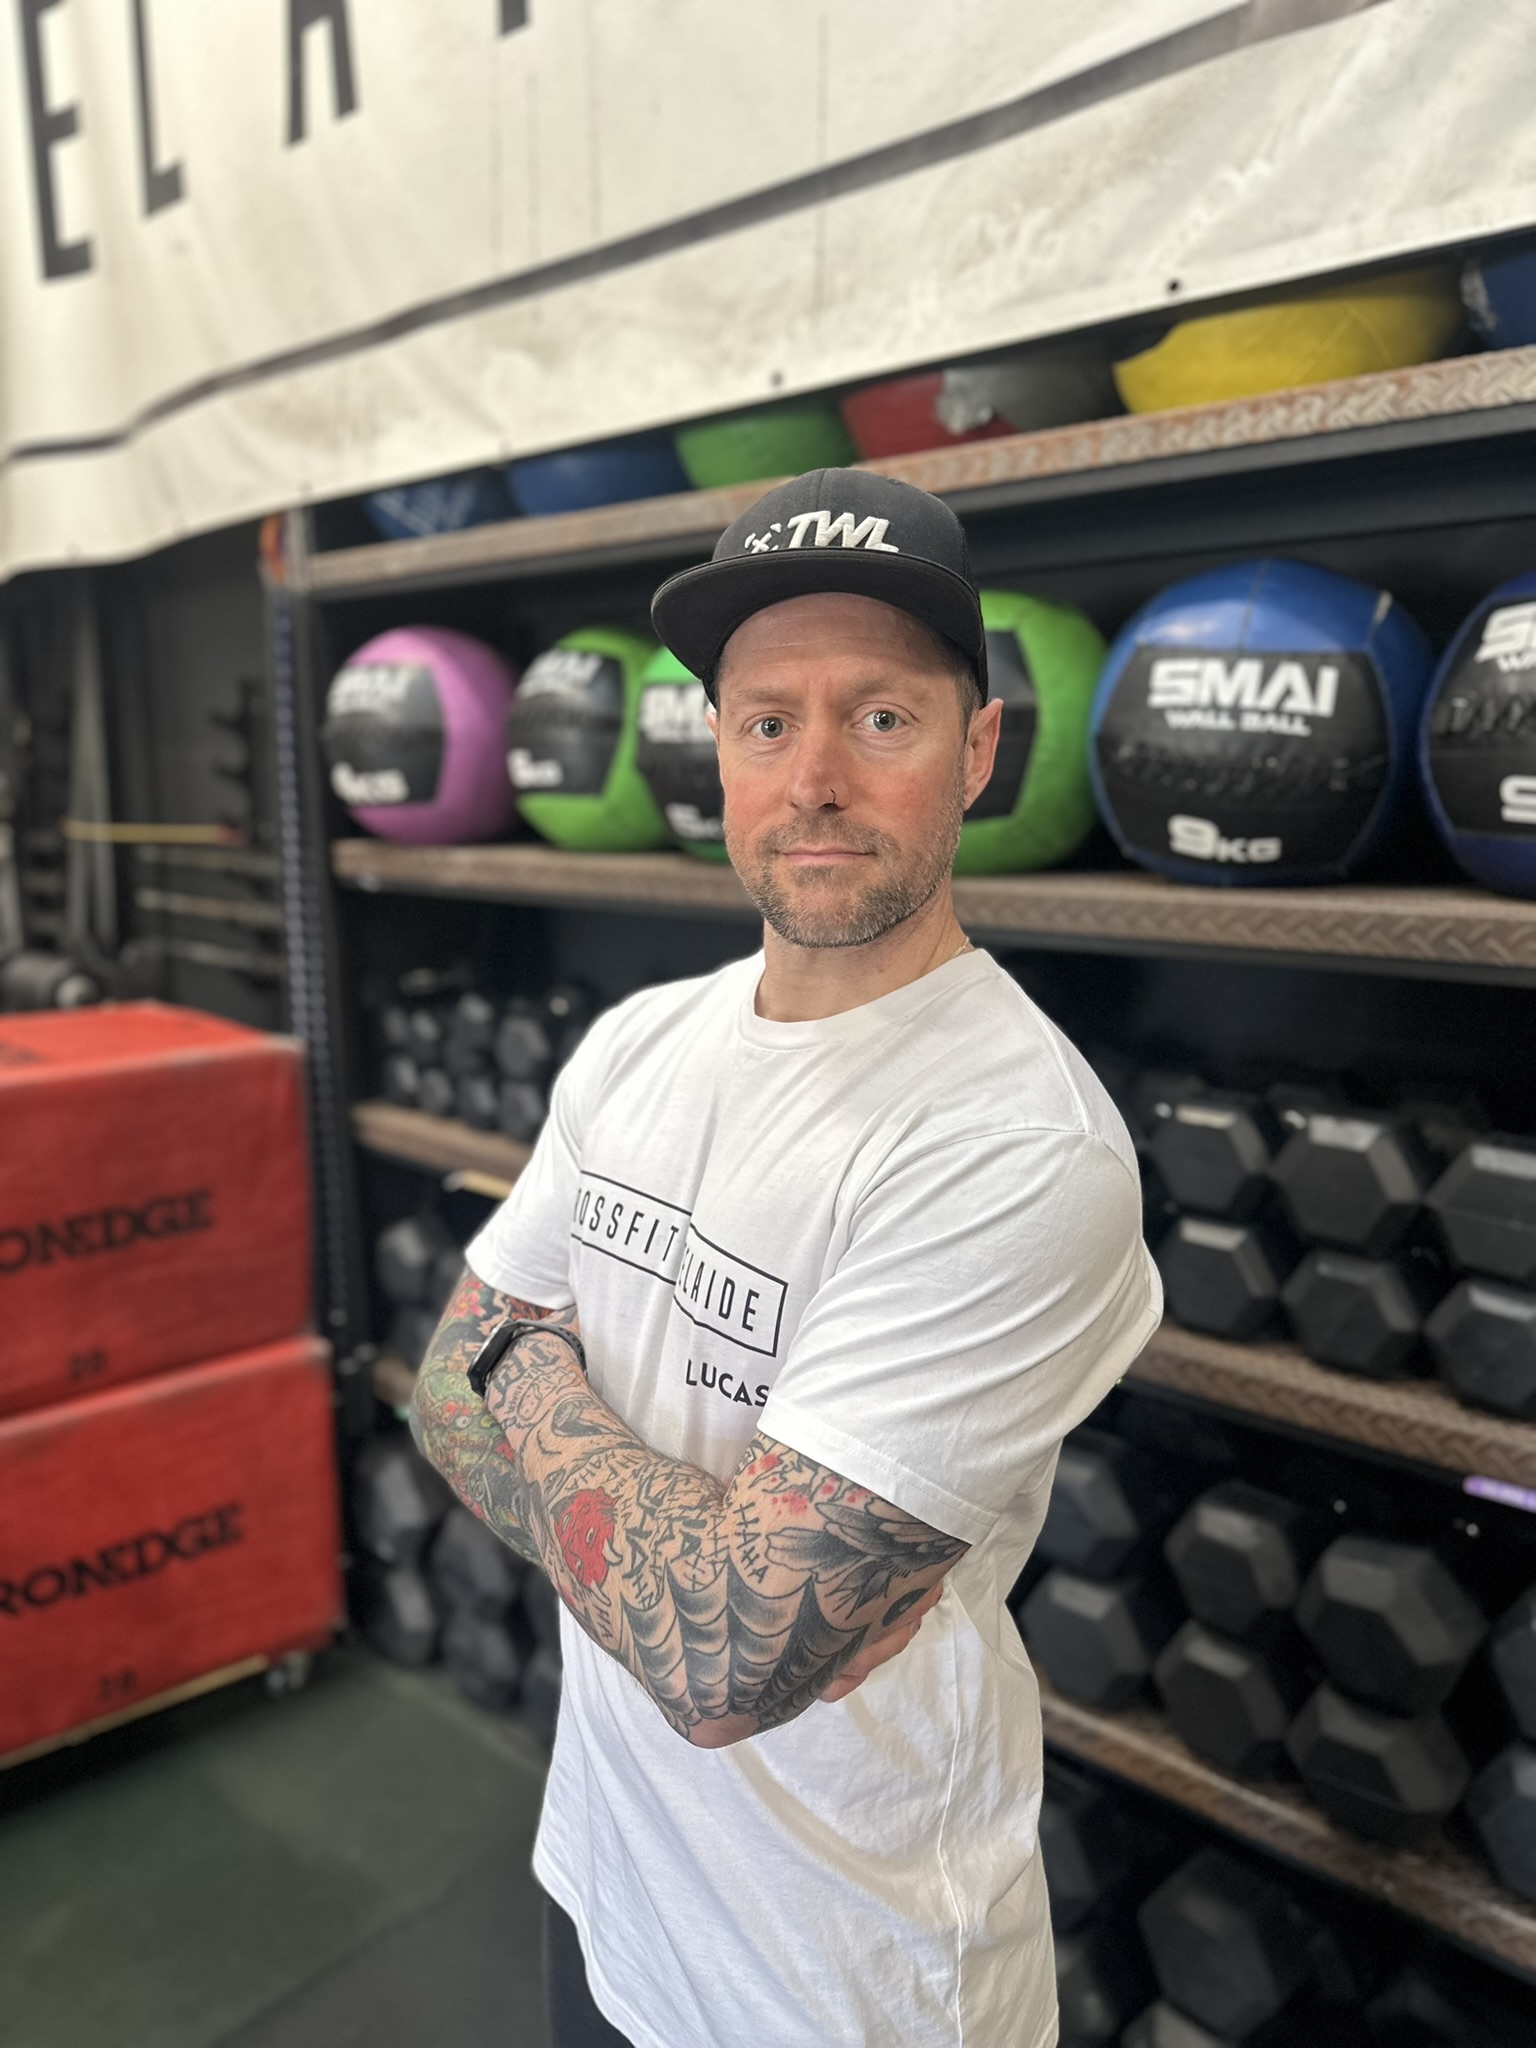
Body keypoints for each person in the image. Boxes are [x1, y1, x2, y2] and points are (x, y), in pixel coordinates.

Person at [411, 467, 1160, 2048]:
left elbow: (726, 1658)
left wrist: (525, 1371)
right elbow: (438, 1389)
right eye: (767, 723)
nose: (814, 778)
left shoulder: (1019, 1144)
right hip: (606, 1884)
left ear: (978, 750)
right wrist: (665, 1542)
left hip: (845, 1987)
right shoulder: (637, 1044)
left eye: (880, 718)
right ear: (719, 750)